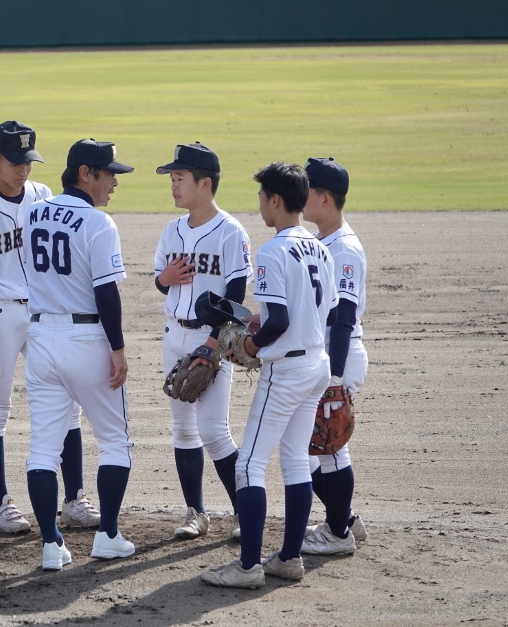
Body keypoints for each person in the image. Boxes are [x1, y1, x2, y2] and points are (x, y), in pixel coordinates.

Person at [0, 121, 100, 534]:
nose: (23, 169)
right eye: (14, 162)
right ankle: (1, 505)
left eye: (28, 161)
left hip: (43, 312)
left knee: (67, 403)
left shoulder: (42, 195)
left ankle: (74, 499)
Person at [201, 161, 337, 589]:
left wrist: (250, 346)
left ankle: (247, 568)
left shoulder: (274, 250)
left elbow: (278, 321)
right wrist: (262, 322)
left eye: (261, 197)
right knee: (295, 460)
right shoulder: (320, 247)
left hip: (288, 370)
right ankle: (290, 558)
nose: (259, 204)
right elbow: (322, 312)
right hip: (317, 364)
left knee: (248, 465)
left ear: (275, 200)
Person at [22, 139, 135, 571]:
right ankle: (108, 536)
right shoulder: (98, 222)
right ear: (85, 174)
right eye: (109, 174)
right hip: (86, 339)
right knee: (115, 441)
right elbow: (106, 293)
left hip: (40, 338)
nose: (114, 183)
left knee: (42, 449)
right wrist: (118, 349)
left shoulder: (32, 213)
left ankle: (51, 545)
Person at [153, 142, 252, 540]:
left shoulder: (230, 231)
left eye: (180, 178)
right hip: (174, 334)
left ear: (205, 183)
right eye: (172, 179)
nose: (173, 186)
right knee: (183, 430)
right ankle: (196, 513)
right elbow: (161, 282)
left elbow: (237, 292)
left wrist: (213, 342)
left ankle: (246, 512)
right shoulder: (172, 230)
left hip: (211, 338)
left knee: (214, 431)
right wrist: (165, 280)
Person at [300, 157, 369, 555]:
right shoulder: (322, 241)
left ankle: (339, 534)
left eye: (306, 191)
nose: (300, 197)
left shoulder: (343, 249)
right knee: (310, 446)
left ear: (324, 199)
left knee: (330, 447)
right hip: (324, 354)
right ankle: (344, 519)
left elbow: (342, 319)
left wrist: (335, 378)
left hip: (338, 355)